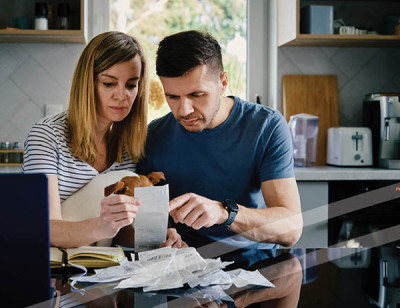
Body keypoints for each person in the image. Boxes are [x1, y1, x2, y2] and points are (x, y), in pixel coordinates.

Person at [137, 30, 303, 266]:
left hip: (255, 266)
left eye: (197, 94)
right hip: (181, 269)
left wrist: (225, 213)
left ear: (223, 83)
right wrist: (159, 237)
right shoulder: (153, 135)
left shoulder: (266, 126)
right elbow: (146, 224)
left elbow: (291, 229)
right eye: (172, 97)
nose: (183, 110)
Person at [23, 31, 185, 249]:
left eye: (131, 85)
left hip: (103, 268)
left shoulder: (128, 146)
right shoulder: (46, 136)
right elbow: (42, 228)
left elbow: (118, 234)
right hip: (54, 268)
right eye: (109, 83)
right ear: (88, 83)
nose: (122, 95)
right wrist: (100, 226)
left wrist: (155, 238)